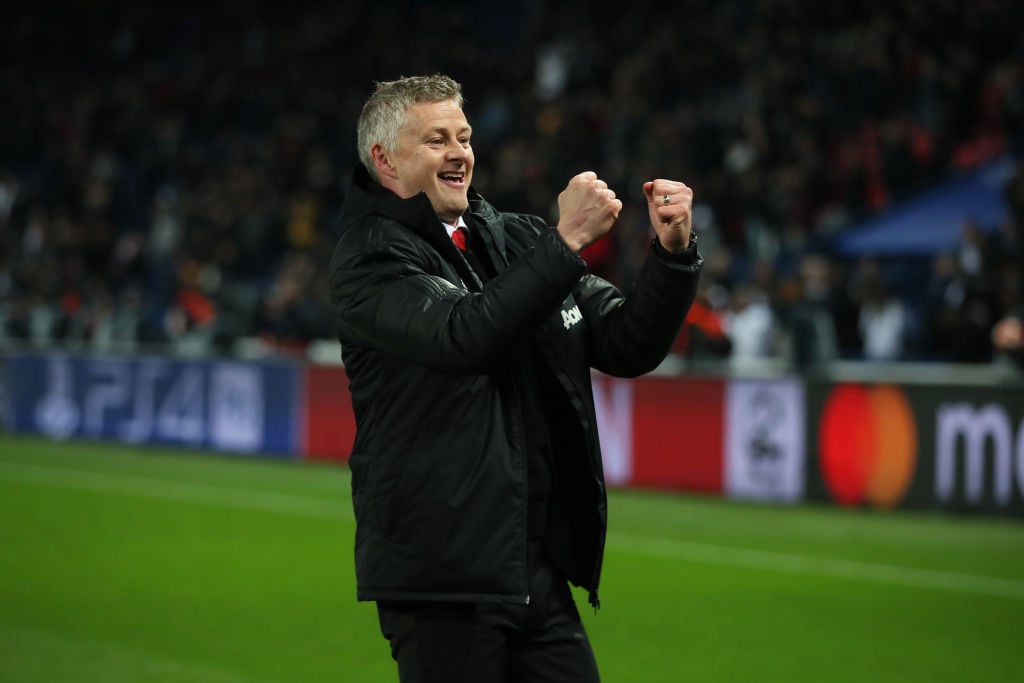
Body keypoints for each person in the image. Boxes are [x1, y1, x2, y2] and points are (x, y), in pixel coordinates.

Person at [328, 74, 702, 683]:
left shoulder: (518, 238)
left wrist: (672, 256)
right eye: (436, 140)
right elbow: (464, 336)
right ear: (384, 159)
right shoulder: (370, 257)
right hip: (442, 578)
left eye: (465, 137)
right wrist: (567, 242)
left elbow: (626, 342)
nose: (459, 153)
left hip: (531, 571)